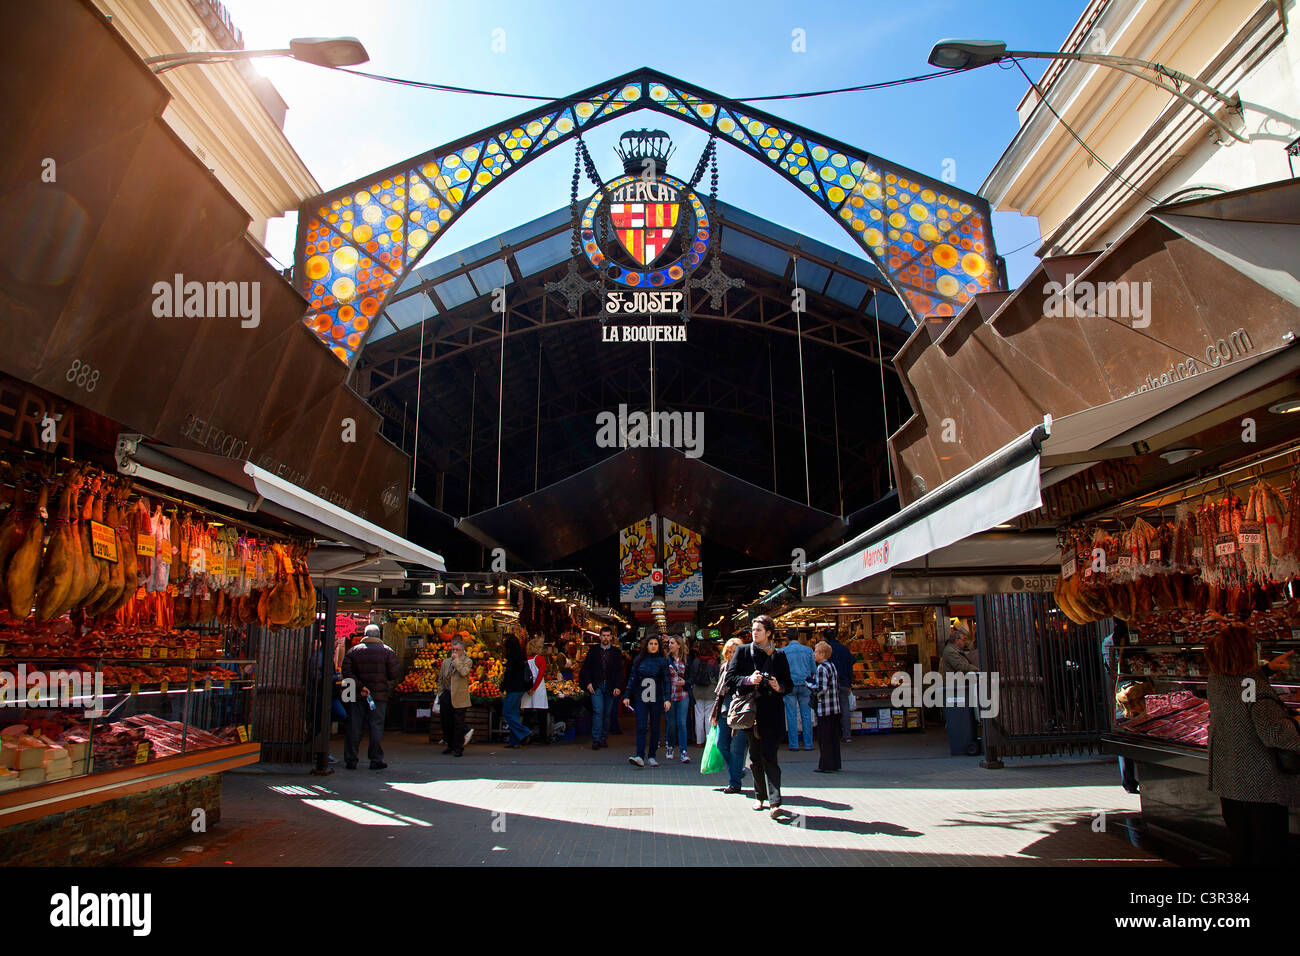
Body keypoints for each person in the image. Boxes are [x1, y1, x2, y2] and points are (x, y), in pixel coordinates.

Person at [1205, 623, 1300, 867]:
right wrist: (1296, 723)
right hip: (1260, 785)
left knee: (1242, 847)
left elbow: (1241, 686)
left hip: (1229, 781)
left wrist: (1266, 669)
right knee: (1268, 852)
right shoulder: (1255, 690)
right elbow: (1275, 734)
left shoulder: (1216, 680)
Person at [725, 615, 792, 817]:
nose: (754, 633)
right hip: (751, 713)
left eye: (759, 630)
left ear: (769, 633)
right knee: (755, 757)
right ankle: (760, 795)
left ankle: (775, 802)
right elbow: (730, 679)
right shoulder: (743, 652)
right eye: (753, 630)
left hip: (772, 711)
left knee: (770, 755)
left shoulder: (778, 655)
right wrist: (748, 680)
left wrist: (778, 686)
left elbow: (789, 684)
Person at [341, 624, 399, 770]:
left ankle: (351, 759)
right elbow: (394, 674)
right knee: (376, 727)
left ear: (365, 635)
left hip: (357, 694)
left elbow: (346, 672)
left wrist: (360, 686)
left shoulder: (353, 651)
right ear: (378, 635)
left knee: (354, 726)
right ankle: (375, 759)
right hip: (378, 695)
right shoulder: (387, 652)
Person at [1101, 621, 1139, 794]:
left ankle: (1128, 780)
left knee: (1124, 735)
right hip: (1136, 691)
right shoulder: (1133, 639)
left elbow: (1109, 668)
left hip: (1120, 692)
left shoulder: (1108, 642)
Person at [624, 634, 670, 767]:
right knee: (641, 726)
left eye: (656, 644)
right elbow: (632, 678)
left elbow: (667, 681)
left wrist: (667, 699)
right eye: (651, 644)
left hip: (656, 697)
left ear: (659, 646)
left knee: (655, 727)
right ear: (646, 645)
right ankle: (639, 755)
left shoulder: (662, 661)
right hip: (641, 696)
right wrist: (627, 695)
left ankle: (652, 755)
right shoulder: (638, 660)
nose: (653, 646)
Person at [711, 637, 747, 794]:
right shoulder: (724, 667)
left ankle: (734, 782)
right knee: (721, 744)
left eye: (735, 651)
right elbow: (719, 694)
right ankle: (737, 769)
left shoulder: (747, 668)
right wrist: (715, 713)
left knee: (736, 748)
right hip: (725, 710)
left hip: (740, 711)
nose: (732, 654)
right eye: (730, 652)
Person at [580, 626, 624, 749]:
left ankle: (604, 737)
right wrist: (588, 683)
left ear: (611, 637)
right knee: (598, 711)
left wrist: (618, 686)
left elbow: (619, 671)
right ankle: (596, 739)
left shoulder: (616, 652)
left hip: (610, 686)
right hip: (596, 685)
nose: (605, 638)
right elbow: (586, 668)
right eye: (603, 635)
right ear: (600, 637)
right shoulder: (593, 650)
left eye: (607, 635)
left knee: (606, 713)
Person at [808, 641, 842, 772]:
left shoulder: (821, 668)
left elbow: (821, 689)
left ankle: (826, 765)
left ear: (822, 654)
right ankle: (835, 763)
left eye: (815, 652)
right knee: (834, 738)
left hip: (825, 708)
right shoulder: (831, 665)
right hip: (835, 708)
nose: (814, 654)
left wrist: (809, 685)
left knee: (825, 738)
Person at [437, 640, 472, 756]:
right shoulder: (446, 662)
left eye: (457, 650)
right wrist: (441, 693)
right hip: (447, 695)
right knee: (447, 722)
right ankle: (450, 744)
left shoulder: (467, 661)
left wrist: (456, 661)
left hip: (459, 696)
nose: (455, 652)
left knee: (458, 723)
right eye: (453, 650)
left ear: (462, 651)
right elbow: (441, 678)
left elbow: (464, 672)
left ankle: (458, 747)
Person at [782, 634, 815, 751]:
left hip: (790, 686)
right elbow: (813, 670)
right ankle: (808, 744)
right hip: (805, 685)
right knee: (806, 715)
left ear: (787, 638)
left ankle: (794, 744)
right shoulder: (808, 650)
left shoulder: (783, 651)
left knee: (791, 715)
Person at [501, 635, 532, 749]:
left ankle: (524, 732)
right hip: (521, 688)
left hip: (513, 688)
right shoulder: (521, 656)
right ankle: (515, 741)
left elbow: (509, 675)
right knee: (514, 714)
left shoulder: (512, 658)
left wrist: (502, 686)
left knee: (507, 713)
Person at [824, 628, 855, 743]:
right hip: (844, 682)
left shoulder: (826, 650)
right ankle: (847, 735)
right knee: (845, 709)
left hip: (830, 683)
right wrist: (849, 680)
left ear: (825, 638)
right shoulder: (845, 649)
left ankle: (833, 735)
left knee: (831, 710)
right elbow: (851, 662)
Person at [688, 642, 720, 750]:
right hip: (710, 690)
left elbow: (692, 675)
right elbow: (716, 676)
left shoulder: (696, 661)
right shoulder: (713, 662)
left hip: (698, 691)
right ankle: (708, 739)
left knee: (698, 716)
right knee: (709, 716)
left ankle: (699, 741)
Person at [665, 636, 691, 762]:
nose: (670, 645)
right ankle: (670, 746)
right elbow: (663, 678)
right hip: (670, 695)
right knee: (671, 723)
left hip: (683, 694)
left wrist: (685, 682)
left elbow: (692, 677)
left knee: (681, 722)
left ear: (679, 645)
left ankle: (683, 750)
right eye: (669, 643)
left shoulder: (686, 660)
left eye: (672, 643)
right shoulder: (666, 660)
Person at [521, 636, 549, 744]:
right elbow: (540, 675)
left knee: (527, 714)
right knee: (542, 714)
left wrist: (529, 689)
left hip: (527, 689)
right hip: (538, 689)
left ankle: (524, 737)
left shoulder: (525, 659)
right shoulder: (541, 659)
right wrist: (534, 688)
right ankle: (543, 738)